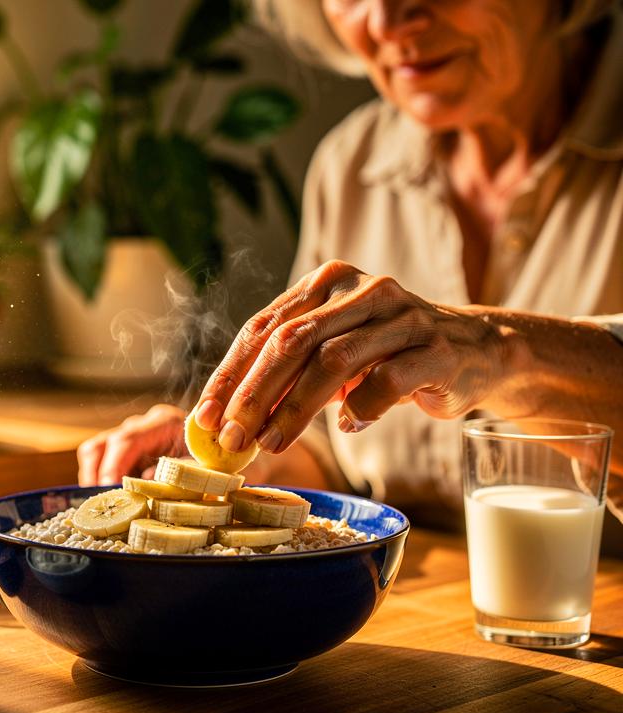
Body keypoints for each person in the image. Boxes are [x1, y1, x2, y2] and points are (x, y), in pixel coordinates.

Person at [77, 0, 623, 534]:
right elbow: (336, 451)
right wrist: (239, 463)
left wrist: (500, 351)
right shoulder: (351, 164)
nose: (386, 20)